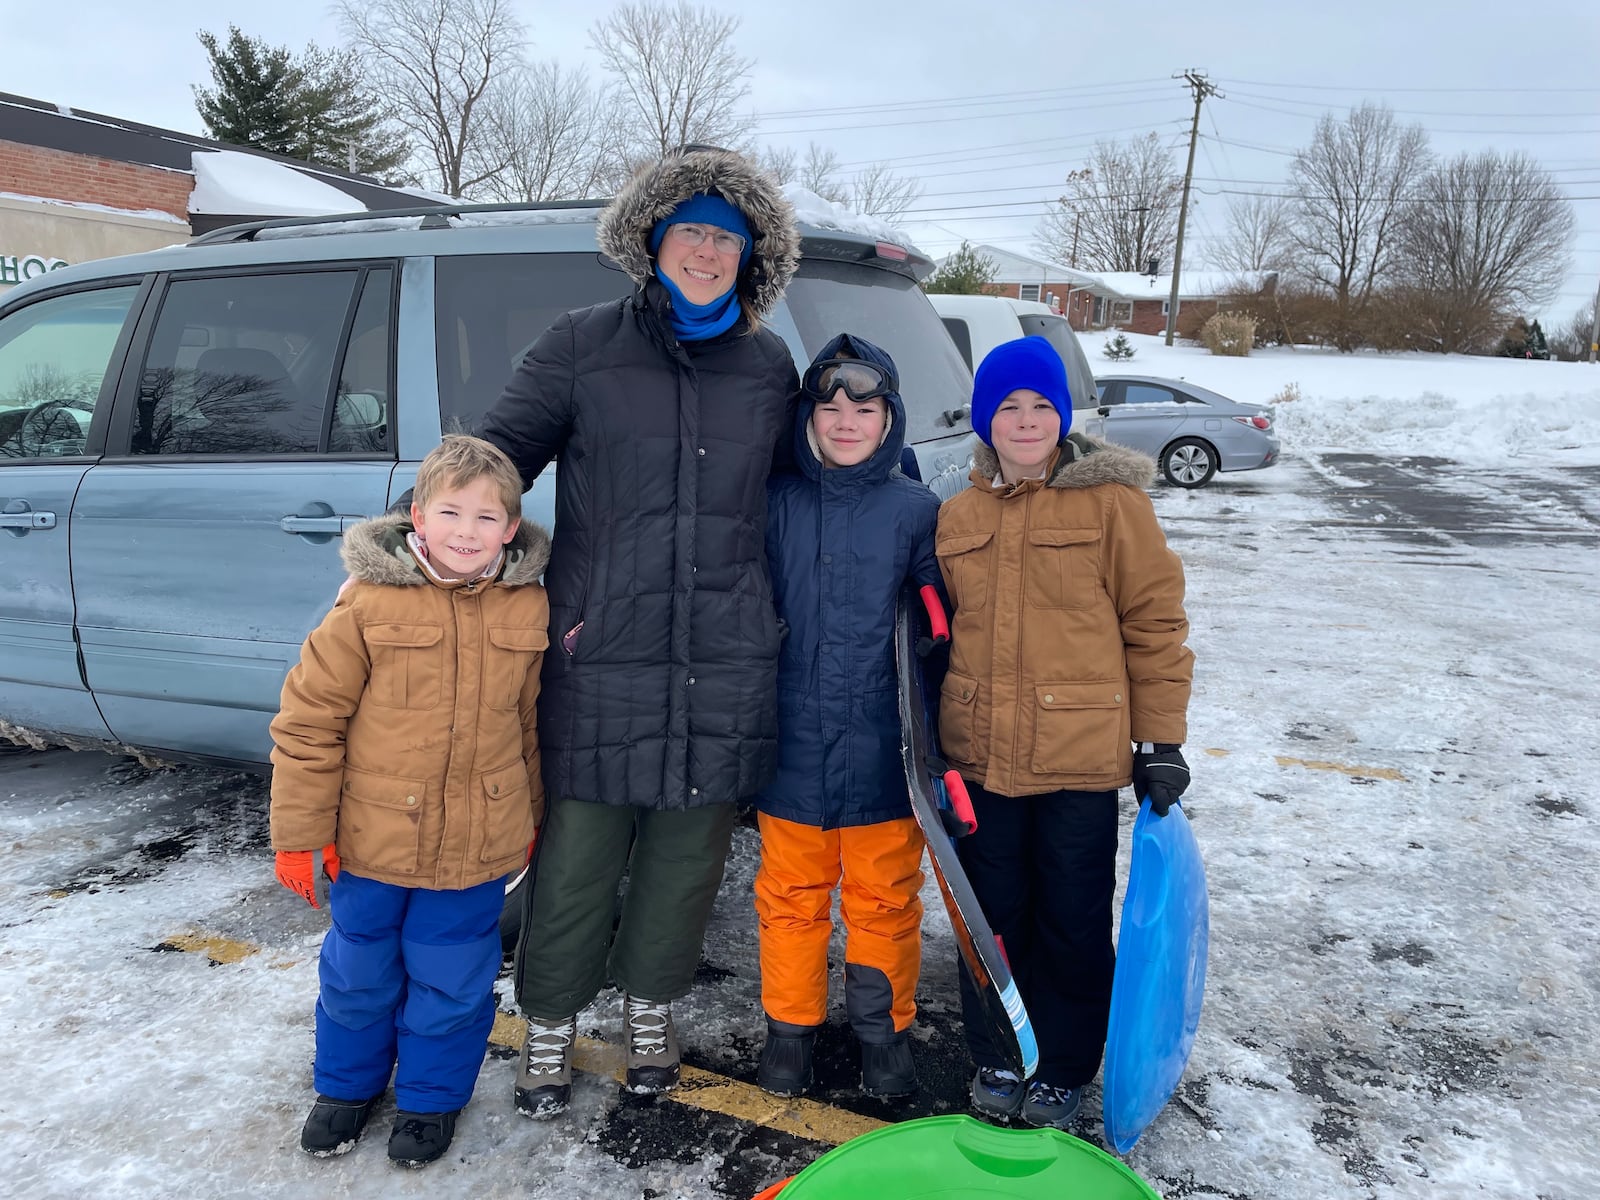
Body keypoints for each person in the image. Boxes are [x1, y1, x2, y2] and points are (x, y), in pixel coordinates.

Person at [477, 145, 802, 1118]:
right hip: (603, 653)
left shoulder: (767, 365)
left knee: (684, 859)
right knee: (578, 859)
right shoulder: (580, 343)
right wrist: (442, 544)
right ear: (652, 238)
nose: (706, 250)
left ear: (752, 259)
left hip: (723, 659)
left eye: (727, 238)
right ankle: (547, 1022)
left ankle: (652, 1010)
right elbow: (495, 459)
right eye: (691, 230)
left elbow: (812, 490)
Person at [933, 336, 1194, 1130]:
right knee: (991, 920)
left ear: (1063, 416)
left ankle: (1068, 1062)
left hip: (1078, 759)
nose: (1025, 420)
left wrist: (1161, 741)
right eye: (1008, 407)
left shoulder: (1112, 505)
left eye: (1042, 406)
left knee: (1073, 919)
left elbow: (1154, 623)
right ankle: (1001, 1053)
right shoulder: (958, 513)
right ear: (986, 420)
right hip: (979, 759)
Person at [269, 436, 551, 1166]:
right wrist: (301, 834)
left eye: (486, 518)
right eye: (450, 513)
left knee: (453, 979)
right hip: (373, 838)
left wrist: (526, 821)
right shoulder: (367, 602)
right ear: (417, 519)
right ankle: (345, 1088)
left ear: (511, 528)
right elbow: (309, 723)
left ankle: (429, 1100)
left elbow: (526, 726)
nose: (467, 532)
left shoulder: (527, 605)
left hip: (474, 845)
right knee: (358, 970)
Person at [753, 334, 940, 1100]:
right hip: (789, 747)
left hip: (880, 754)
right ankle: (788, 1032)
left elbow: (940, 630)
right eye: (829, 406)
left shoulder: (917, 511)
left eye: (864, 407)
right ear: (807, 417)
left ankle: (882, 1035)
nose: (845, 420)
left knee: (885, 902)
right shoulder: (772, 502)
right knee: (790, 898)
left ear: (888, 419)